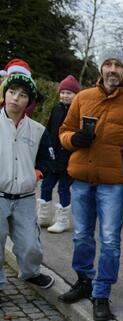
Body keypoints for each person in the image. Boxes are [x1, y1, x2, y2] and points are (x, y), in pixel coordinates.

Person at [57, 48, 123, 321]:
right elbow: (63, 131)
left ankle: (101, 293)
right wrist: (73, 140)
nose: (112, 70)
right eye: (108, 64)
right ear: (101, 68)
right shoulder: (83, 98)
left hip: (114, 185)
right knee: (81, 235)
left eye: (118, 66)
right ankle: (84, 280)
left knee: (110, 240)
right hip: (81, 181)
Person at [0, 74, 55, 292]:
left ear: (29, 102)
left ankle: (31, 272)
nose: (16, 98)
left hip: (24, 197)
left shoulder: (38, 130)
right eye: (12, 92)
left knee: (30, 244)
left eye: (22, 95)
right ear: (4, 94)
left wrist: (36, 174)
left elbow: (48, 160)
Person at [37, 75, 81, 232]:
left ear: (76, 95)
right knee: (46, 186)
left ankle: (63, 220)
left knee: (63, 189)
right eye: (63, 92)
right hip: (53, 157)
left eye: (69, 93)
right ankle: (43, 217)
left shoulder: (77, 112)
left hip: (68, 159)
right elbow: (49, 131)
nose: (65, 96)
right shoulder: (56, 109)